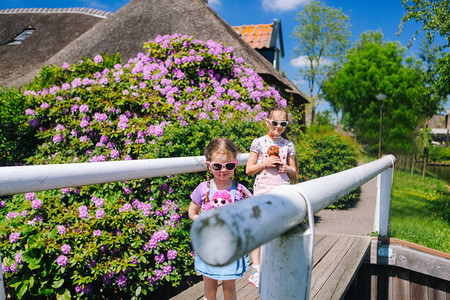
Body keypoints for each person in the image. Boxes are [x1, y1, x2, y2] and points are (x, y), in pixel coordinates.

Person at [189, 137, 252, 300]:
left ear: (235, 164)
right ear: (209, 165)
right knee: (209, 288)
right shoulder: (203, 188)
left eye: (229, 166)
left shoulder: (240, 190)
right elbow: (192, 212)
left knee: (229, 289)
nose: (223, 170)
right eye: (218, 166)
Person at [245, 104, 297, 288]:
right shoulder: (258, 142)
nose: (278, 126)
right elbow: (248, 170)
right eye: (275, 122)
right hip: (262, 190)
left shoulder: (288, 145)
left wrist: (286, 168)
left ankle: (276, 266)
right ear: (267, 121)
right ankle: (257, 270)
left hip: (282, 190)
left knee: (279, 230)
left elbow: (294, 173)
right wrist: (264, 163)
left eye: (283, 123)